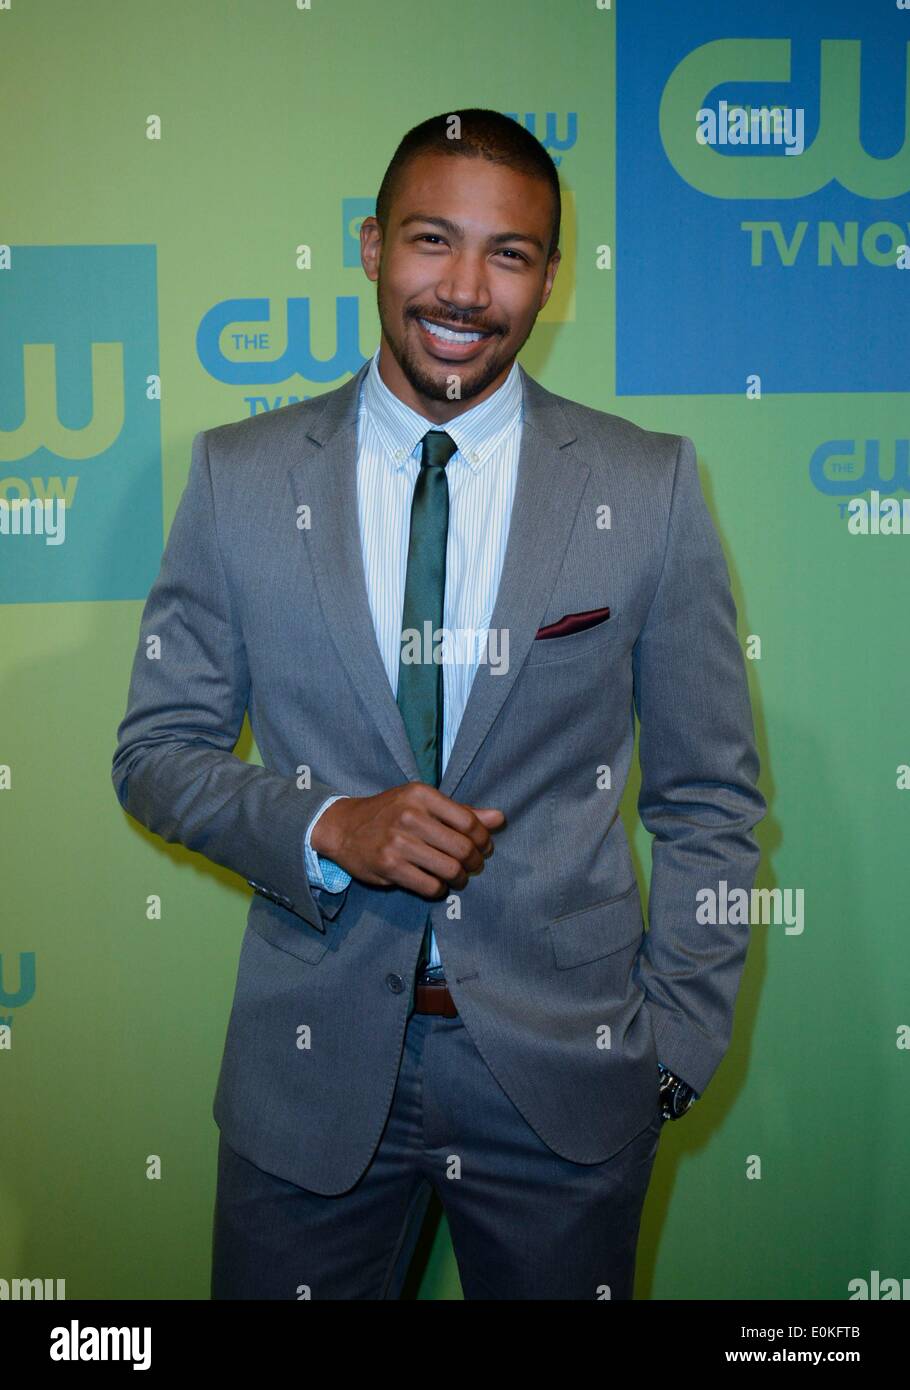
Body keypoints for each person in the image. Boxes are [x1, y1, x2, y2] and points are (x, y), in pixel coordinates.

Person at [111, 108, 766, 1300]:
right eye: (431, 242)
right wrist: (326, 827)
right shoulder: (239, 478)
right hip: (307, 1079)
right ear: (371, 247)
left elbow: (710, 795)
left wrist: (669, 1055)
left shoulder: (645, 485)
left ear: (549, 279)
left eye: (508, 255)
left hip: (570, 1084)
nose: (464, 289)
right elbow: (156, 753)